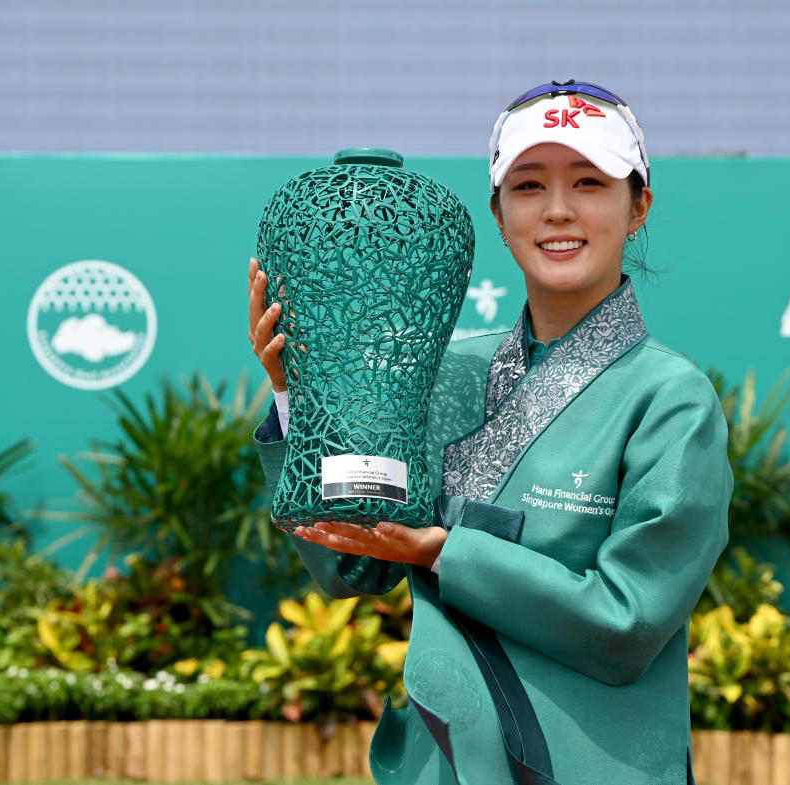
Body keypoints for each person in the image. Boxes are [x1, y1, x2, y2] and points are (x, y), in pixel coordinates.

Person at [246, 80, 732, 785]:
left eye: (590, 182)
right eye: (529, 186)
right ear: (500, 215)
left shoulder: (670, 398)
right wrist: (297, 396)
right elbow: (353, 564)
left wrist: (445, 552)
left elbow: (627, 623)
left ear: (638, 207)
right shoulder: (442, 370)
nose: (559, 210)